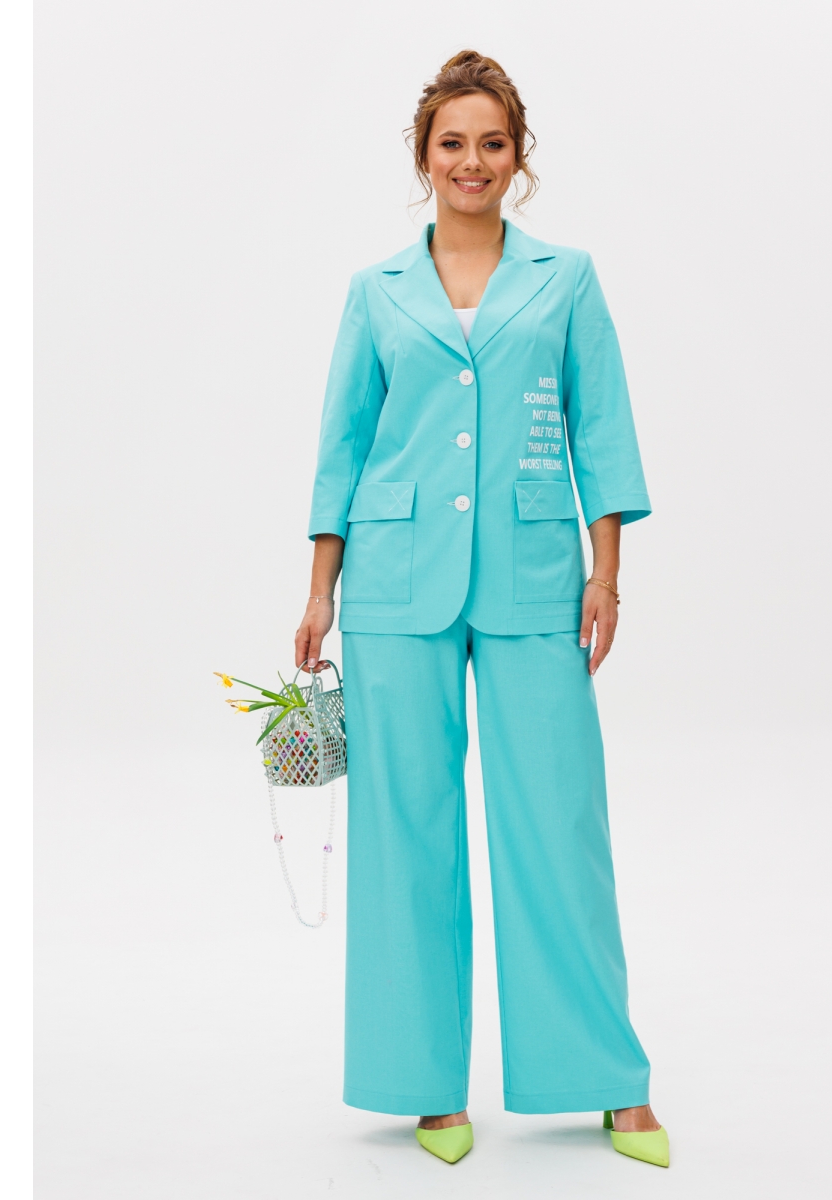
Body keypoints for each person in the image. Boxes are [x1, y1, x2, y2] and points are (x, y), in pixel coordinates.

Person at [295, 50, 668, 1169]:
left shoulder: (568, 279)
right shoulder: (376, 290)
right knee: (405, 832)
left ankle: (606, 1078)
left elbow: (603, 429)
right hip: (394, 582)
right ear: (424, 157)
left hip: (534, 576)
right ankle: (423, 1084)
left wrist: (605, 574)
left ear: (519, 157)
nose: (472, 161)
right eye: (452, 143)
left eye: (492, 143)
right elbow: (342, 446)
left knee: (558, 823)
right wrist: (319, 590)